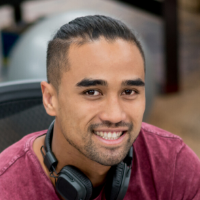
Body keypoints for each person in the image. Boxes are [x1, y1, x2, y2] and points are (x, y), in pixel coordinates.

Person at [0, 15, 200, 200]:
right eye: (92, 92)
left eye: (129, 92)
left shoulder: (173, 162)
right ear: (50, 99)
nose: (114, 115)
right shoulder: (7, 187)